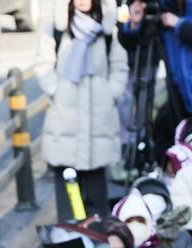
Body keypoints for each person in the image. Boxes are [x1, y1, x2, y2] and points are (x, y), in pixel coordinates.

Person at [41, 0, 127, 221]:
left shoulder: (107, 32)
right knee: (69, 211)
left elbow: (119, 66)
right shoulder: (56, 29)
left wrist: (110, 93)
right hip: (65, 124)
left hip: (98, 123)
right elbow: (43, 64)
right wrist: (57, 91)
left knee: (97, 210)